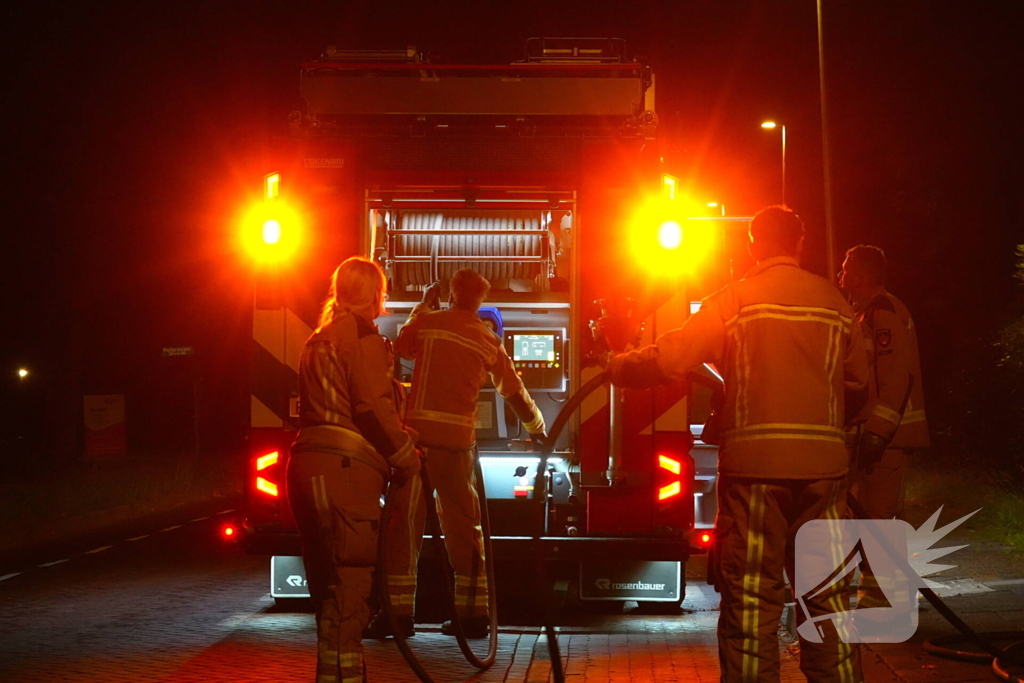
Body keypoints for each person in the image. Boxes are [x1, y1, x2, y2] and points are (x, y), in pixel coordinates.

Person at [608, 206, 869, 683]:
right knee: (828, 600)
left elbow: (673, 358)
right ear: (800, 244)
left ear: (753, 244)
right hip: (825, 473)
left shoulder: (734, 300)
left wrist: (616, 365)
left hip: (755, 473)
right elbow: (858, 383)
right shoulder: (836, 303)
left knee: (751, 600)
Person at [366, 268, 547, 640]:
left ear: (451, 294)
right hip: (459, 449)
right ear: (480, 302)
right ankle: (474, 616)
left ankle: (398, 617)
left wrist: (421, 307)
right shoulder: (488, 341)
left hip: (418, 446)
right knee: (466, 529)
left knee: (404, 530)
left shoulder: (429, 323)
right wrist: (539, 430)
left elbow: (402, 346)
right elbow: (513, 392)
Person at [287, 257, 421, 683]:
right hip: (345, 472)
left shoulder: (318, 338)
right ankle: (345, 677)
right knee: (349, 581)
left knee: (327, 583)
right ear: (376, 294)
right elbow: (372, 407)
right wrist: (405, 456)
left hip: (306, 469)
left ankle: (336, 671)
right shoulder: (362, 337)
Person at [840, 244, 929, 520]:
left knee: (877, 521)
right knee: (857, 520)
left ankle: (880, 565)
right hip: (866, 438)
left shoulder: (885, 313)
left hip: (886, 442)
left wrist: (878, 431)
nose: (839, 276)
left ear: (861, 278)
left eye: (845, 271)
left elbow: (896, 377)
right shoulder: (863, 314)